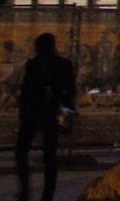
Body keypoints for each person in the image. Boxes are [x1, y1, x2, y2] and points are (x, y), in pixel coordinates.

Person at [16, 32, 75, 201]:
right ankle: (47, 194)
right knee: (50, 156)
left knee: (22, 152)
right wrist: (66, 114)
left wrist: (23, 112)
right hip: (51, 113)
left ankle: (26, 190)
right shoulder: (63, 64)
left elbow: (26, 91)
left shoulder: (34, 64)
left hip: (34, 114)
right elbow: (70, 92)